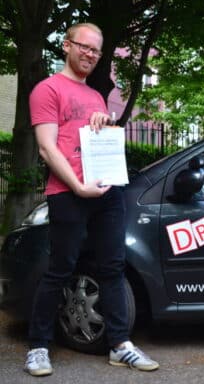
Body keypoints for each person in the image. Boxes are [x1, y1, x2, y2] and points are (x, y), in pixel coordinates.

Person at [24, 22, 159, 376]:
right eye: (85, 47)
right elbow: (46, 147)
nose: (90, 55)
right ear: (67, 46)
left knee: (112, 267)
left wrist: (105, 121)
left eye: (97, 51)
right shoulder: (47, 89)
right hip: (68, 193)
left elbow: (97, 139)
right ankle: (38, 347)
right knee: (59, 270)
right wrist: (79, 187)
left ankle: (119, 345)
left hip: (106, 192)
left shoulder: (96, 96)